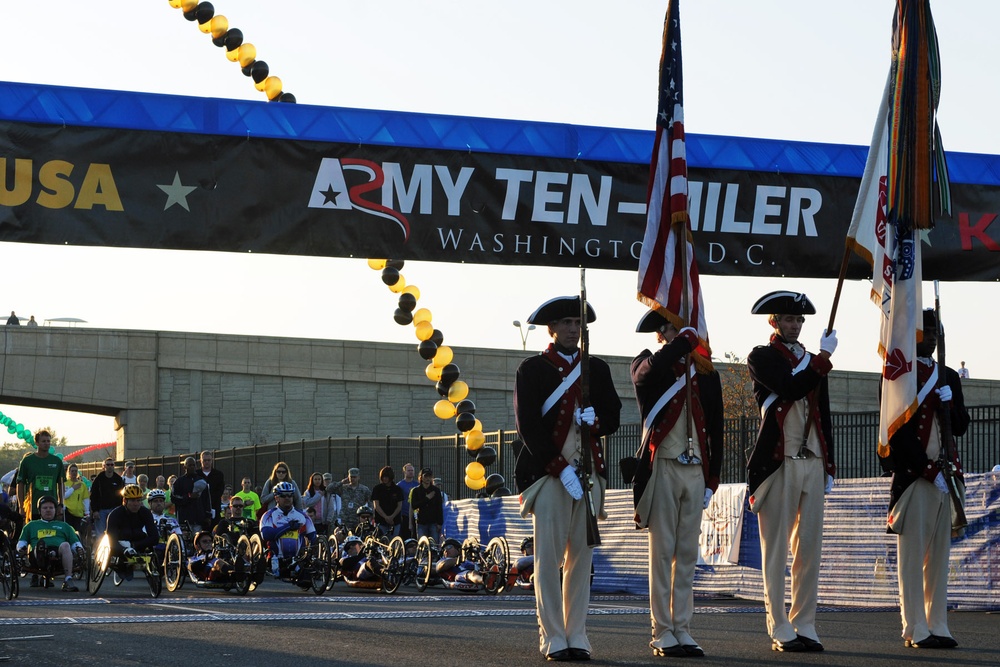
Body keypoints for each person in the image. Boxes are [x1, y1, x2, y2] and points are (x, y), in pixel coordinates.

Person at [513, 295, 622, 662]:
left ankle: (577, 633)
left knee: (582, 559)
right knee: (548, 560)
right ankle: (552, 636)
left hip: (589, 474)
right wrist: (559, 467)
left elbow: (613, 416)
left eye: (577, 324)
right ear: (552, 329)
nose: (572, 329)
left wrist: (597, 421)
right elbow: (528, 425)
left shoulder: (597, 368)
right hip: (549, 475)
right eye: (565, 323)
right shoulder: (533, 369)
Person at [746, 291, 837, 652]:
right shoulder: (762, 357)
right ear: (774, 322)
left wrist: (829, 464)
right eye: (788, 319)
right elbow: (788, 386)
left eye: (798, 320)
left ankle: (805, 622)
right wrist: (824, 358)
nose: (795, 325)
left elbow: (823, 416)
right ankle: (779, 624)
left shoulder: (815, 361)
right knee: (777, 549)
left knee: (809, 549)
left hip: (812, 459)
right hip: (779, 461)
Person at [630, 309, 725, 658]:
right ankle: (662, 630)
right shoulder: (648, 363)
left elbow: (717, 427)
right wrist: (679, 344)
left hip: (695, 467)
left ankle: (683, 628)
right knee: (663, 551)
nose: (683, 334)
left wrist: (713, 477)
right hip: (665, 465)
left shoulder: (705, 374)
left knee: (687, 553)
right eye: (672, 329)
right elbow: (645, 376)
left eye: (686, 329)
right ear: (660, 335)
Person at [882, 309, 969, 649]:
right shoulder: (898, 372)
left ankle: (938, 623)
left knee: (940, 556)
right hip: (917, 475)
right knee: (913, 555)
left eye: (936, 333)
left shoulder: (949, 375)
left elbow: (961, 426)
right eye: (926, 332)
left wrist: (952, 406)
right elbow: (896, 431)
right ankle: (915, 626)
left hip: (946, 474)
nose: (932, 338)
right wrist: (926, 469)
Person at [16, 495, 85, 591]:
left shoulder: (64, 526)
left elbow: (75, 542)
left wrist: (79, 549)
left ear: (55, 510)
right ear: (40, 510)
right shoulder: (31, 525)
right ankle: (42, 559)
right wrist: (21, 548)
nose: (48, 510)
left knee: (65, 545)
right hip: (37, 555)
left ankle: (68, 580)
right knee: (41, 545)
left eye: (51, 508)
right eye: (45, 508)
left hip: (59, 554)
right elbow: (21, 542)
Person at [259, 480, 316, 581]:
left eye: (290, 495)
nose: (287, 498)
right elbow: (266, 535)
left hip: (298, 560)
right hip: (276, 560)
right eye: (283, 495)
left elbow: (313, 537)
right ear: (276, 497)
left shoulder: (302, 515)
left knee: (306, 581)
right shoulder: (269, 515)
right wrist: (288, 527)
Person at [105, 484, 159, 580]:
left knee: (152, 542)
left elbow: (154, 537)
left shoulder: (145, 513)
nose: (136, 504)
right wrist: (123, 549)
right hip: (119, 542)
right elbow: (110, 539)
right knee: (114, 543)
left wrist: (135, 545)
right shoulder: (115, 514)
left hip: (137, 541)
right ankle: (121, 566)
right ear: (125, 501)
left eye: (138, 500)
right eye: (133, 500)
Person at [16, 429, 64, 522]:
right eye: (43, 441)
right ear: (37, 443)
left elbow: (61, 483)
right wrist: (21, 506)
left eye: (48, 441)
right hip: (32, 508)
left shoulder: (56, 461)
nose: (46, 443)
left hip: (51, 508)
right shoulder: (27, 461)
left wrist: (61, 504)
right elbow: (20, 484)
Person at [172, 456, 212, 534]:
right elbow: (174, 498)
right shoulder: (179, 482)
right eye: (190, 465)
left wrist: (208, 516)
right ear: (185, 467)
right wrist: (188, 496)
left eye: (194, 465)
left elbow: (207, 500)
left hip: (198, 520)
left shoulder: (201, 481)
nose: (192, 467)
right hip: (184, 519)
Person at [327, 467, 372, 532]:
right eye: (351, 477)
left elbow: (370, 502)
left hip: (358, 519)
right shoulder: (344, 488)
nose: (352, 479)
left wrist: (370, 515)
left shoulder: (364, 489)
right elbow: (329, 489)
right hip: (345, 519)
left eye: (354, 477)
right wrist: (341, 482)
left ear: (358, 477)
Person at [89, 457, 125, 536]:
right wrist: (95, 510)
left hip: (114, 509)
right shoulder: (99, 479)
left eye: (112, 464)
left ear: (114, 466)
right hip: (101, 510)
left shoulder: (118, 479)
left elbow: (122, 495)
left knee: (113, 532)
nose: (110, 466)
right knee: (100, 534)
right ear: (104, 466)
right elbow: (93, 495)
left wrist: (121, 510)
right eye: (108, 464)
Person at [410, 468, 444, 542]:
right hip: (421, 522)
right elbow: (414, 505)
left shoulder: (436, 490)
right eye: (426, 476)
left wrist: (439, 523)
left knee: (434, 544)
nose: (428, 478)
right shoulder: (416, 491)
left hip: (433, 522)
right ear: (421, 477)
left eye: (429, 476)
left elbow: (439, 507)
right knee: (422, 544)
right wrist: (427, 498)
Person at [371, 466, 403, 538]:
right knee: (381, 540)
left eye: (386, 477)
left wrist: (391, 517)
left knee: (394, 541)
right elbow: (376, 505)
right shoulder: (377, 489)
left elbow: (399, 505)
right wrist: (386, 517)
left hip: (395, 521)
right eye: (383, 477)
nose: (384, 479)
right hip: (381, 521)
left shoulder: (397, 489)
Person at [198, 450, 226, 527]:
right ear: (201, 461)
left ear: (212, 461)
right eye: (205, 460)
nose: (207, 462)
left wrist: (210, 500)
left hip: (214, 507)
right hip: (199, 508)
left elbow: (220, 490)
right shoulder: (196, 474)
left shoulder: (218, 474)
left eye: (209, 460)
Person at [63, 463, 91, 533]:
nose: (74, 473)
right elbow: (64, 496)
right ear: (69, 472)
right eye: (72, 471)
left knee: (78, 532)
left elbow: (85, 499)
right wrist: (73, 488)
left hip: (78, 513)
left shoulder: (82, 484)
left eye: (75, 471)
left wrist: (87, 512)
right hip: (68, 512)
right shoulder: (65, 483)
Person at [397, 463, 419, 539]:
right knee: (405, 535)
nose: (411, 472)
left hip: (416, 514)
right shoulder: (400, 485)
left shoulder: (417, 484)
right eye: (409, 470)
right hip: (404, 514)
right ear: (404, 472)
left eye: (412, 470)